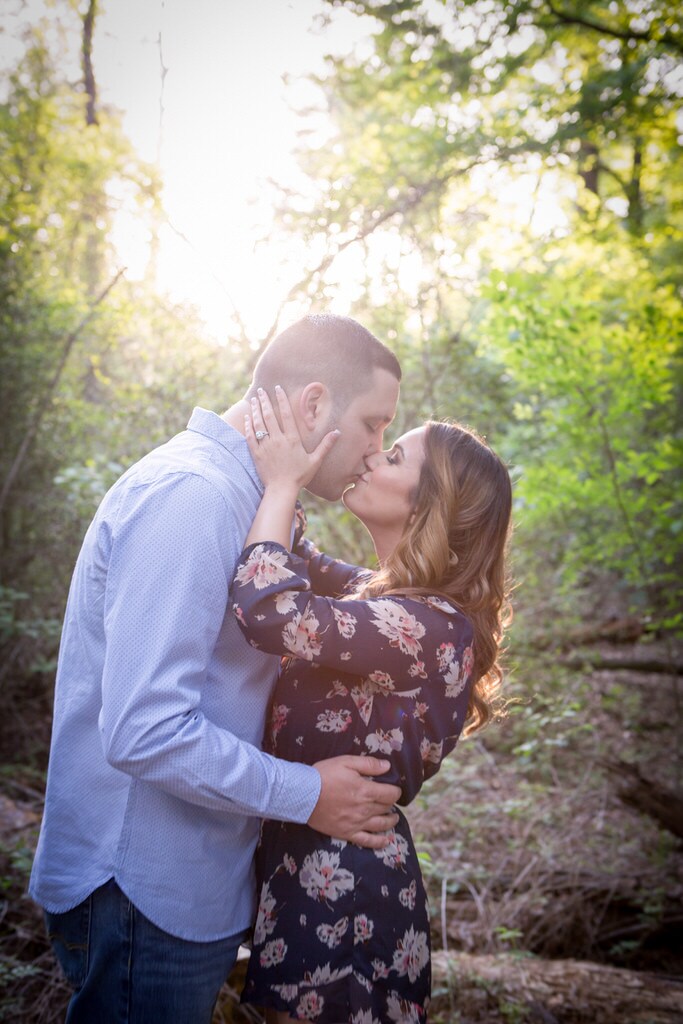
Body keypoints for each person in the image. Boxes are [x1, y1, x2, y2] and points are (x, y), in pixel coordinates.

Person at [29, 315, 405, 1024]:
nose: (374, 449)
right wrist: (306, 794)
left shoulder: (257, 498)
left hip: (191, 880)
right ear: (314, 404)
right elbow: (143, 731)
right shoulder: (194, 497)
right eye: (373, 424)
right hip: (143, 888)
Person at [231, 386, 512, 1023]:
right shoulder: (381, 599)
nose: (373, 456)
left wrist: (281, 485)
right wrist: (291, 462)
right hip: (312, 879)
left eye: (393, 458)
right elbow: (292, 558)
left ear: (431, 504)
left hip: (349, 900)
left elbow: (268, 608)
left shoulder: (428, 626)